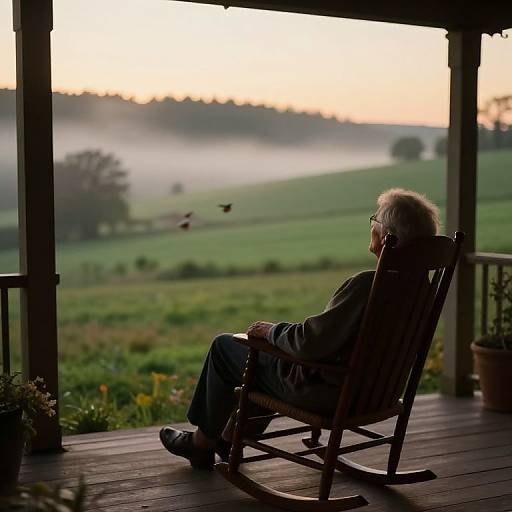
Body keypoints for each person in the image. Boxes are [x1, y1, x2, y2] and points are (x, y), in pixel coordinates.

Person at [159, 188, 441, 470]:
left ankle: (200, 444)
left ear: (386, 237)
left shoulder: (367, 286)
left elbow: (309, 343)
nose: (372, 227)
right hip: (378, 395)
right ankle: (229, 438)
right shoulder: (422, 290)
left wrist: (271, 331)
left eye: (375, 221)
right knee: (264, 362)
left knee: (226, 347)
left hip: (327, 392)